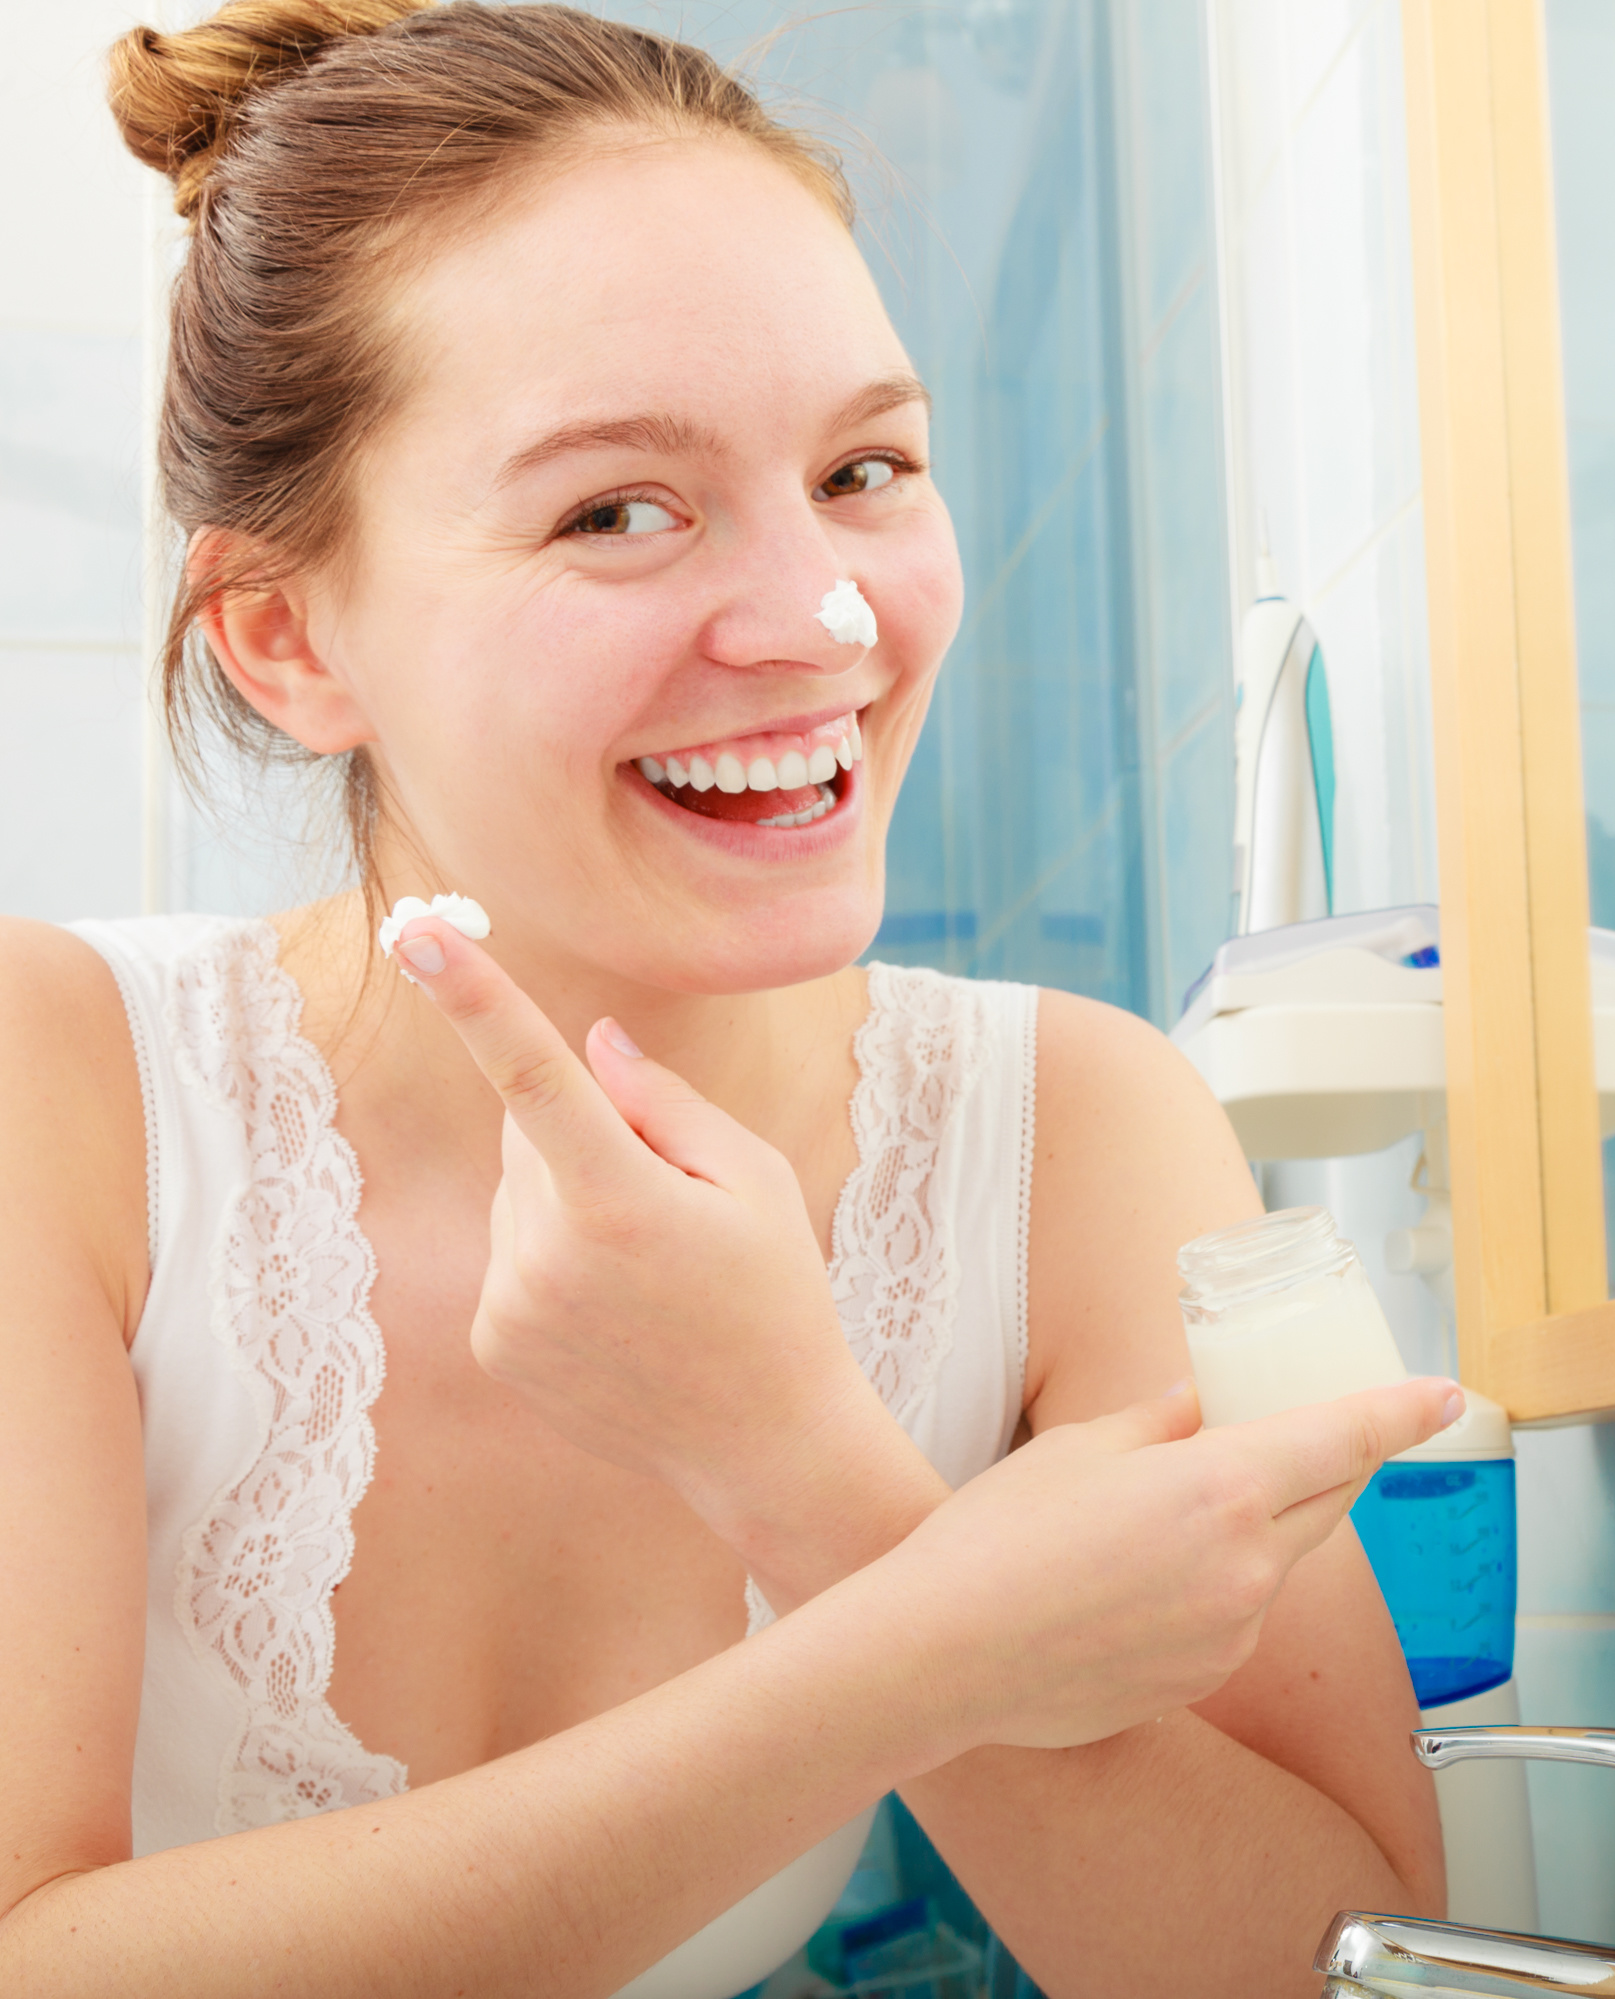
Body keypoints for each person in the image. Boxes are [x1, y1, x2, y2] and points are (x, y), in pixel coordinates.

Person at [0, 4, 1458, 1993]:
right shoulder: (60, 1086)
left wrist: (805, 1471)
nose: (824, 619)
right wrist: (919, 1651)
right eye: (619, 508)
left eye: (863, 468)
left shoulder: (1083, 1138)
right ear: (284, 635)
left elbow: (1343, 1970)